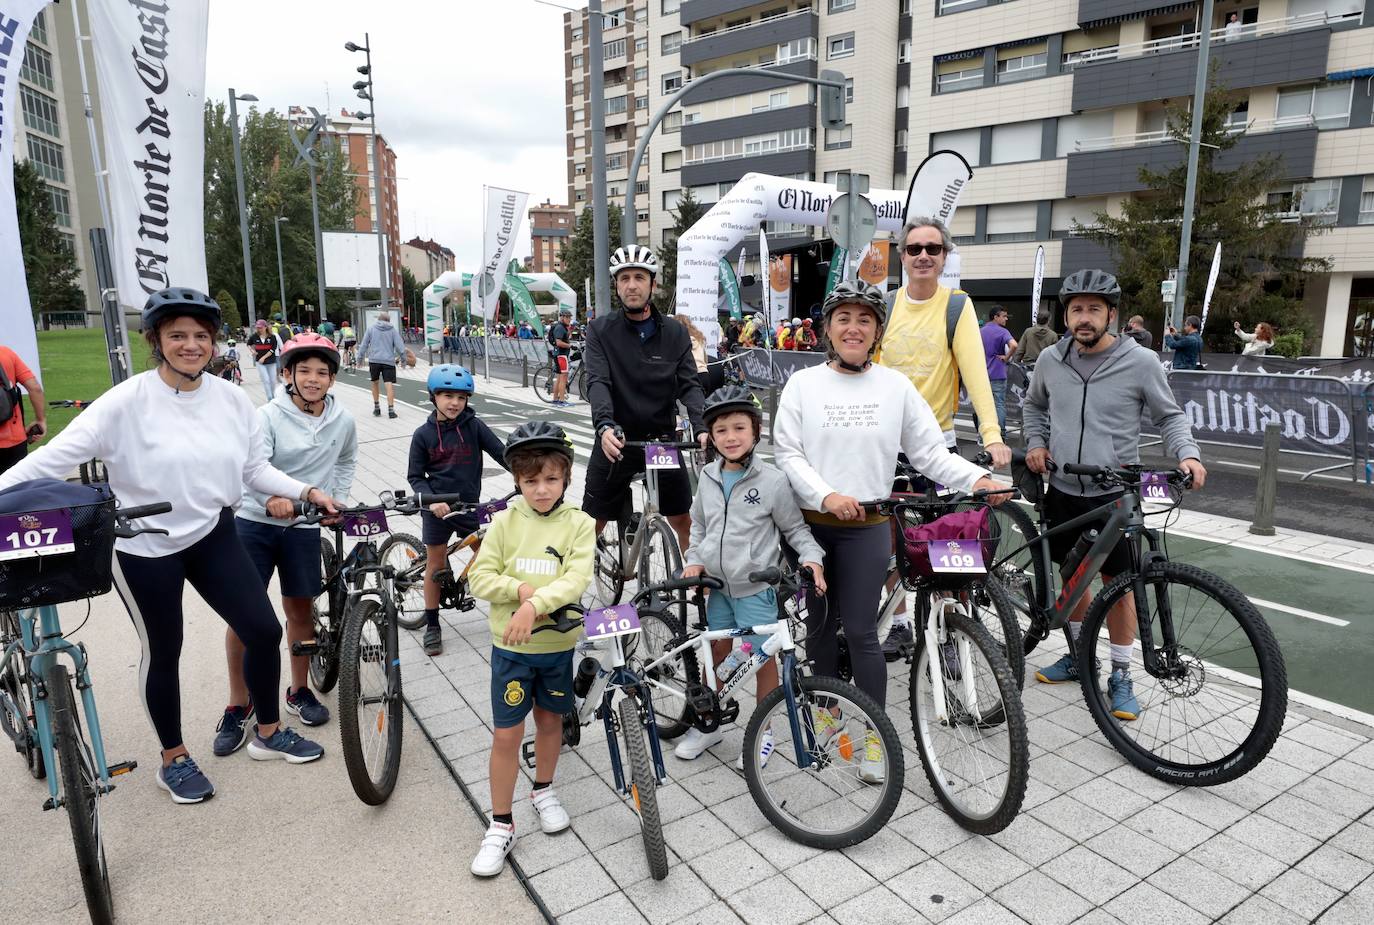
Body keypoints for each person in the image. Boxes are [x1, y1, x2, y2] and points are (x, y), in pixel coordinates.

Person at [0, 288, 337, 803]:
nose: (191, 345)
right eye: (177, 335)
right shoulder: (124, 402)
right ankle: (173, 757)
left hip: (212, 533)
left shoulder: (230, 399)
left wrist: (304, 490)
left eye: (201, 336)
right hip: (143, 545)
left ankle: (268, 731)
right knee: (164, 651)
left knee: (262, 628)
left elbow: (253, 470)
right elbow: (50, 460)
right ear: (156, 340)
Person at [774, 281, 1003, 782]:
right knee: (818, 628)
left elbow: (929, 454)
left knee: (860, 631)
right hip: (812, 529)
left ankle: (875, 738)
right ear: (828, 329)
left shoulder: (894, 386)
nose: (853, 328)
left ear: (877, 331)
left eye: (864, 320)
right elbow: (787, 454)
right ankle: (828, 715)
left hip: (868, 529)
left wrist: (978, 478)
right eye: (844, 319)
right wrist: (826, 495)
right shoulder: (803, 385)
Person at [1023, 270, 1207, 720]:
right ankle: (1081, 654)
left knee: (1120, 586)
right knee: (1073, 577)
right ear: (1066, 314)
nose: (1083, 318)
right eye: (1076, 309)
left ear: (1112, 315)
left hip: (1113, 495)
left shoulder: (1140, 361)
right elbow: (1033, 405)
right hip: (1062, 487)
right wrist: (1036, 443)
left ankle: (1121, 674)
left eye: (1093, 309)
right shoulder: (1051, 358)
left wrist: (1188, 454)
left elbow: (1170, 416)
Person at [876, 216, 1012, 657]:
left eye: (933, 249)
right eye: (914, 249)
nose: (923, 256)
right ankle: (900, 623)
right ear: (902, 255)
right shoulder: (886, 305)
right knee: (892, 540)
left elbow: (976, 374)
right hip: (887, 447)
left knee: (949, 542)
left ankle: (952, 630)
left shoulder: (957, 305)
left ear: (944, 256)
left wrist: (991, 436)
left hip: (938, 444)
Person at [218, 334, 357, 753]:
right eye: (305, 371)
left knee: (300, 609)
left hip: (305, 524)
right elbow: (250, 468)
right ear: (287, 374)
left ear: (332, 378)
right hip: (256, 523)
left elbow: (347, 459)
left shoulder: (342, 419)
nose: (313, 380)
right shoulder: (267, 416)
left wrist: (338, 497)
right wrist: (271, 500)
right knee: (245, 616)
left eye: (322, 372)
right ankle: (238, 703)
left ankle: (298, 691)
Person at [466, 422, 593, 878]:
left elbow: (576, 579)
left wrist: (535, 606)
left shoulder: (580, 524)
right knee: (505, 735)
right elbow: (479, 577)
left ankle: (543, 788)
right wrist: (521, 591)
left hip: (557, 647)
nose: (541, 490)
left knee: (550, 721)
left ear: (566, 478)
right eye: (530, 480)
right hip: (511, 650)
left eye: (552, 479)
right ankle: (501, 823)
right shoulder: (504, 521)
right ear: (517, 481)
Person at [677, 386, 827, 766]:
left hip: (757, 590)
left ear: (755, 431)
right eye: (722, 429)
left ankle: (765, 731)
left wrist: (813, 560)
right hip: (716, 589)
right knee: (718, 654)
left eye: (739, 428)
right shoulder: (708, 476)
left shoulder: (773, 481)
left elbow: (795, 531)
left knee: (763, 662)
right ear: (710, 435)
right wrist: (694, 560)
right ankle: (709, 724)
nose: (730, 437)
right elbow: (698, 527)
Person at [582, 245, 706, 554]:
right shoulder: (600, 330)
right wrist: (605, 427)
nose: (632, 285)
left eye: (639, 277)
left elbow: (689, 385)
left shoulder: (676, 332)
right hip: (617, 440)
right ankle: (570, 588)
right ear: (616, 285)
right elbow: (598, 382)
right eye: (624, 278)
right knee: (590, 522)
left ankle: (694, 586)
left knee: (682, 519)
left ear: (653, 284)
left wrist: (702, 426)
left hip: (660, 442)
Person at [407, 364, 507, 656]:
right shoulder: (423, 434)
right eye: (447, 395)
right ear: (433, 397)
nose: (454, 403)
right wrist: (431, 500)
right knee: (435, 565)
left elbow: (501, 453)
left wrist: (524, 477)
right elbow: (415, 477)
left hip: (468, 506)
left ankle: (483, 595)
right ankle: (433, 625)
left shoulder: (474, 426)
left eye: (461, 397)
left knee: (490, 552)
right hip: (436, 508)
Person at [0, 343, 46, 476]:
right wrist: (40, 419)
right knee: (18, 490)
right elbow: (34, 388)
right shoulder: (6, 353)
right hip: (15, 441)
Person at [357, 311, 407, 418]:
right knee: (388, 384)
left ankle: (376, 408)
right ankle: (391, 410)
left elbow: (364, 344)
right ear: (388, 321)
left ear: (378, 320)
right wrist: (403, 359)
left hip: (374, 360)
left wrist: (360, 358)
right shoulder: (393, 330)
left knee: (375, 382)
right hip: (388, 361)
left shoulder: (371, 329)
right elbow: (400, 346)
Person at [980, 305, 1017, 434]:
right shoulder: (1003, 332)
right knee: (999, 404)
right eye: (1004, 316)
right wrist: (1006, 358)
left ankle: (983, 434)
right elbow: (1014, 345)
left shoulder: (980, 331)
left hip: (982, 373)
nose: (1006, 319)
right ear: (995, 317)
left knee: (984, 406)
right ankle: (1000, 433)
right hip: (998, 372)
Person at [246, 319, 284, 398]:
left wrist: (264, 357)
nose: (259, 329)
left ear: (265, 327)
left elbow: (272, 349)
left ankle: (273, 395)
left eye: (260, 327)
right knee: (266, 380)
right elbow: (248, 344)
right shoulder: (254, 336)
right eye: (257, 327)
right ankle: (270, 398)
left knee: (273, 381)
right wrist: (252, 350)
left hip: (271, 361)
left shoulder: (272, 337)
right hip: (260, 363)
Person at [547, 308, 574, 406]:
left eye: (569, 317)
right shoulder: (560, 328)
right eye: (567, 317)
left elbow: (564, 339)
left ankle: (555, 400)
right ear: (562, 317)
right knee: (563, 378)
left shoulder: (563, 327)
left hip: (559, 355)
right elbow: (558, 342)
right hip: (561, 355)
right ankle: (562, 400)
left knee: (559, 378)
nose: (569, 319)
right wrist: (570, 346)